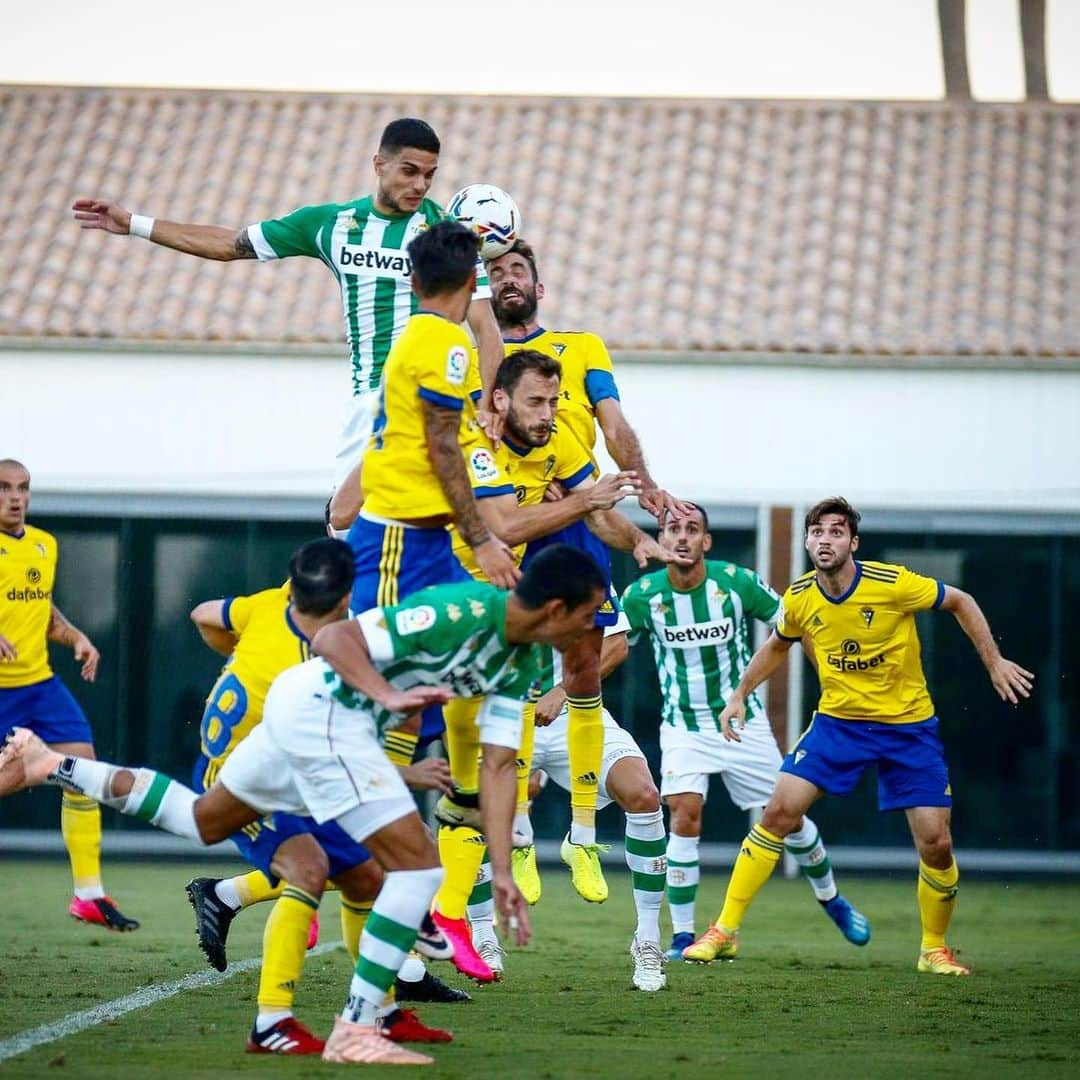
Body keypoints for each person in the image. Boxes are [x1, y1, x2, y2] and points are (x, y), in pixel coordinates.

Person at [0, 544, 608, 1065]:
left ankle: (51, 764)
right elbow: (338, 636)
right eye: (587, 616)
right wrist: (386, 695)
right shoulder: (462, 609)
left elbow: (500, 767)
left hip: (308, 716)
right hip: (325, 715)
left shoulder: (523, 658)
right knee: (416, 868)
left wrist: (502, 870)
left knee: (202, 820)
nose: (590, 630)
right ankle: (358, 1026)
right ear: (556, 609)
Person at [683, 497, 1034, 974]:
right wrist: (740, 693)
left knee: (936, 843)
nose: (824, 540)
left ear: (853, 542)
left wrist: (993, 662)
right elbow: (777, 643)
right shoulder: (801, 596)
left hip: (908, 728)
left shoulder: (893, 583)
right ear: (807, 541)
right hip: (838, 725)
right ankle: (723, 932)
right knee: (778, 813)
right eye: (816, 532)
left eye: (835, 532)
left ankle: (933, 948)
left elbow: (961, 601)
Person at [70, 117, 504, 489]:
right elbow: (230, 244)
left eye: (429, 175)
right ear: (379, 164)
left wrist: (489, 406)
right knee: (345, 529)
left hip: (434, 400)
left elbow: (486, 330)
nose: (420, 184)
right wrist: (135, 224)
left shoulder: (447, 234)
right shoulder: (329, 224)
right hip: (369, 402)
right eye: (409, 171)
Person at [428, 348, 665, 978]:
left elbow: (603, 511)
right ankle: (479, 923)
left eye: (556, 401)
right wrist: (584, 500)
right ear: (499, 399)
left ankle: (603, 872)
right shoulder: (474, 442)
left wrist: (640, 539)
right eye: (537, 401)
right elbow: (505, 525)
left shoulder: (558, 443)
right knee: (481, 793)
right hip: (473, 631)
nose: (549, 414)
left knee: (642, 791)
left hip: (529, 650)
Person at [183, 539, 458, 1054]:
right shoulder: (322, 661)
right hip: (245, 784)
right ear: (346, 595)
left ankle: (382, 1011)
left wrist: (235, 648)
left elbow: (202, 612)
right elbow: (340, 751)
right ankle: (271, 1022)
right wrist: (408, 774)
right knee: (308, 869)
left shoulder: (266, 605)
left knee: (367, 876)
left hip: (282, 769)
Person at [479, 240, 686, 902]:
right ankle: (509, 843)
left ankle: (581, 832)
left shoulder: (581, 348)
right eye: (495, 272)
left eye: (519, 271)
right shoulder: (473, 355)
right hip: (505, 521)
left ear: (539, 289)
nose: (508, 279)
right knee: (497, 686)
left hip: (578, 513)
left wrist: (644, 499)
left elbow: (614, 422)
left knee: (588, 665)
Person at [620, 504, 867, 961]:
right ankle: (682, 937)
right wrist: (566, 688)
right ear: (660, 538)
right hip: (683, 727)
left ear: (706, 542)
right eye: (673, 529)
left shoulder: (737, 583)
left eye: (692, 530)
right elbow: (613, 647)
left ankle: (831, 898)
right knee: (684, 816)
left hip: (743, 724)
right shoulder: (641, 596)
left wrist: (831, 677)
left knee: (786, 817)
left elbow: (793, 625)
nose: (682, 537)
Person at [484, 618, 669, 991]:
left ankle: (647, 941)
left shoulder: (584, 565)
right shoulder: (487, 567)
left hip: (578, 713)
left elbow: (616, 645)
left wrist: (562, 689)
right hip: (503, 717)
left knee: (644, 796)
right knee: (470, 807)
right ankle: (481, 936)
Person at [0, 458, 138, 931]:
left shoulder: (43, 544)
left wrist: (76, 636)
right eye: (3, 489)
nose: (15, 497)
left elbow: (39, 606)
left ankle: (89, 894)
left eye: (22, 488)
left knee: (83, 770)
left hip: (39, 685)